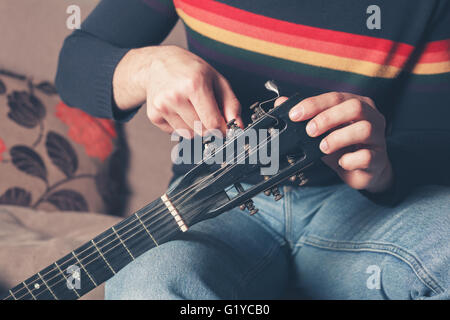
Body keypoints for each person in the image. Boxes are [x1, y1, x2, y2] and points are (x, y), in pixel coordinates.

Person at [55, 0, 450, 299]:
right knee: (153, 281)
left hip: (369, 210)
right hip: (211, 201)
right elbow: (75, 63)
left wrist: (384, 168)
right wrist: (148, 67)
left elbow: (435, 142)